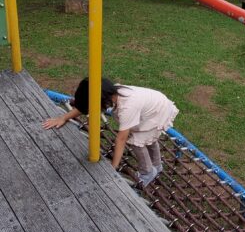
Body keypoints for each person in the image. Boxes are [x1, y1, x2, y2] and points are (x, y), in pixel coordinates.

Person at [42, 77, 179, 187]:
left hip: (157, 112)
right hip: (155, 105)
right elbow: (88, 106)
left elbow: (121, 139)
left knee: (137, 141)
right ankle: (157, 165)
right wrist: (63, 117)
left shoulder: (128, 107)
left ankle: (148, 171)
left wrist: (113, 167)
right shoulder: (112, 92)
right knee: (148, 136)